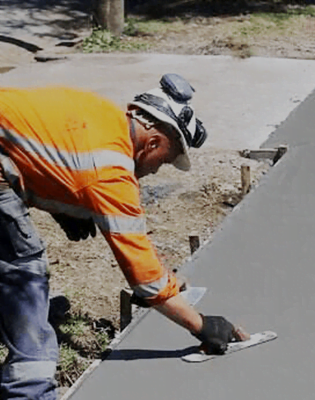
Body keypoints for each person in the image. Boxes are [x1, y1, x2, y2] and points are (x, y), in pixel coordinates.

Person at [0, 74, 243, 400]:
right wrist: (201, 325)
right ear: (154, 142)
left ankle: (15, 312)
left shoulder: (100, 113)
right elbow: (143, 279)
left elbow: (38, 148)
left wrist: (64, 207)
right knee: (24, 270)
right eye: (166, 160)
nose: (158, 170)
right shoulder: (111, 171)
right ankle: (28, 390)